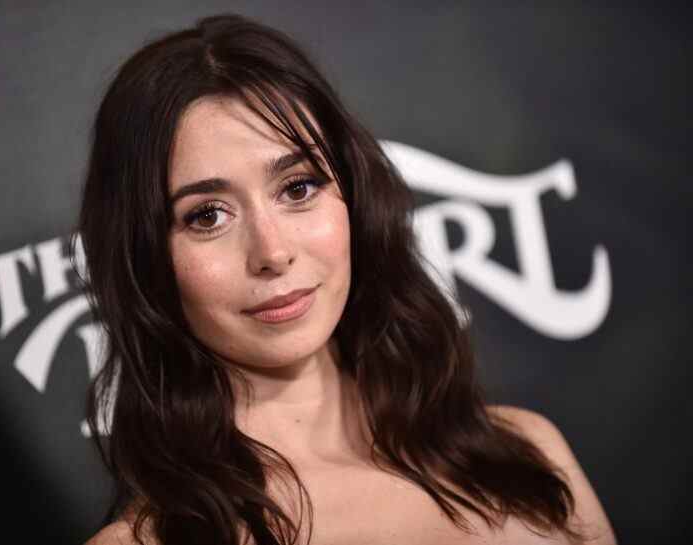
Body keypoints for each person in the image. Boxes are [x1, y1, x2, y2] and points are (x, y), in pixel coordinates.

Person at [79, 14, 616, 545]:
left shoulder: (530, 451)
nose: (273, 252)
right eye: (207, 215)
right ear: (143, 258)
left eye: (297, 188)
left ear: (354, 198)